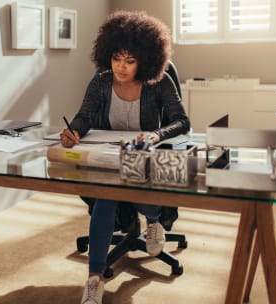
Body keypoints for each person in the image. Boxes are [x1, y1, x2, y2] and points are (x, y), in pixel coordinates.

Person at [59, 10, 190, 304]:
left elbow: (182, 121)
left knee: (136, 187)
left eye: (130, 61)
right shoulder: (102, 81)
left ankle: (154, 222)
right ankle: (94, 280)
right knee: (106, 195)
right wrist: (73, 132)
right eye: (117, 58)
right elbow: (84, 116)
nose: (121, 66)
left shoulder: (160, 82)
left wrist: (156, 134)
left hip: (144, 155)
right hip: (111, 157)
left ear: (145, 60)